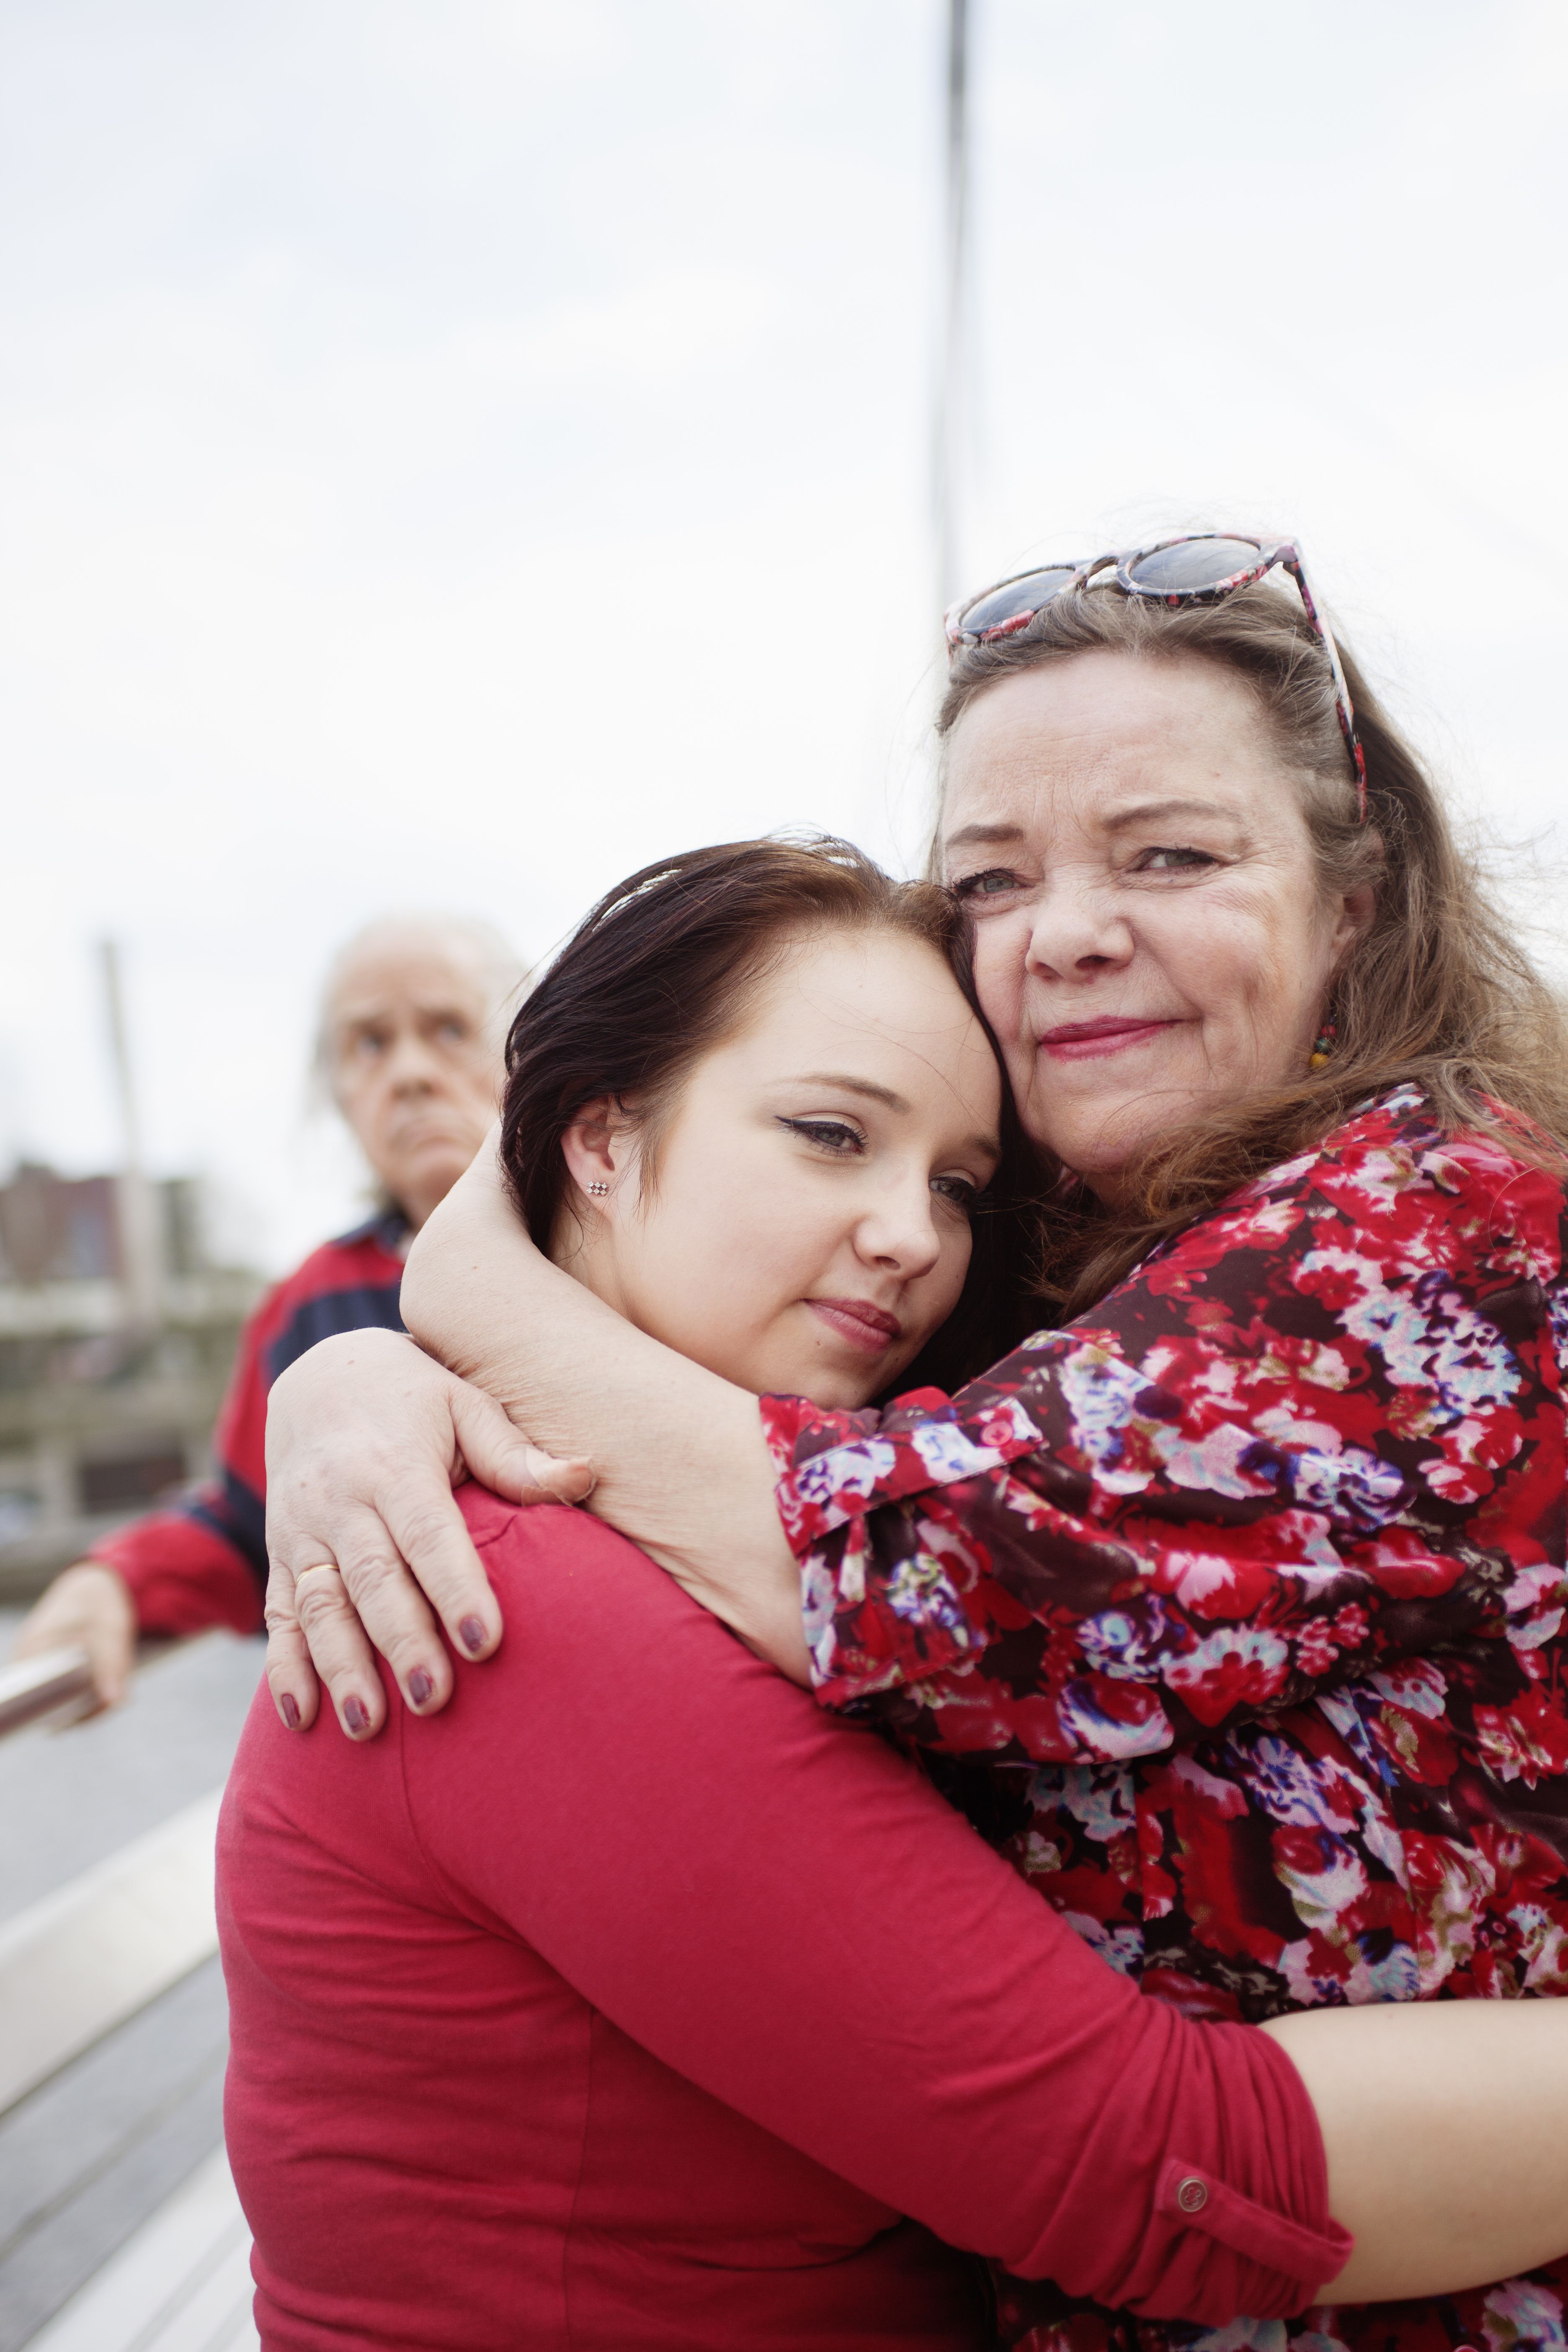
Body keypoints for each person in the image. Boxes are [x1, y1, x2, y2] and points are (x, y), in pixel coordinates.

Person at [258, 539, 1568, 2352]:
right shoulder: (543, 1574)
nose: (1070, 930)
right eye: (991, 879)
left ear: (1354, 901)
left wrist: (464, 1283)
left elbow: (900, 1566)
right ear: (601, 1142)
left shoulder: (1416, 1238)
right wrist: (359, 1377)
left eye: (1171, 853)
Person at [10, 913, 524, 1707]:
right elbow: (244, 1521)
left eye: (449, 1028)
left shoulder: (613, 1248)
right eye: (370, 1045)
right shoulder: (306, 1305)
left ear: (519, 1052)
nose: (412, 1073)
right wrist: (117, 1579)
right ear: (338, 1095)